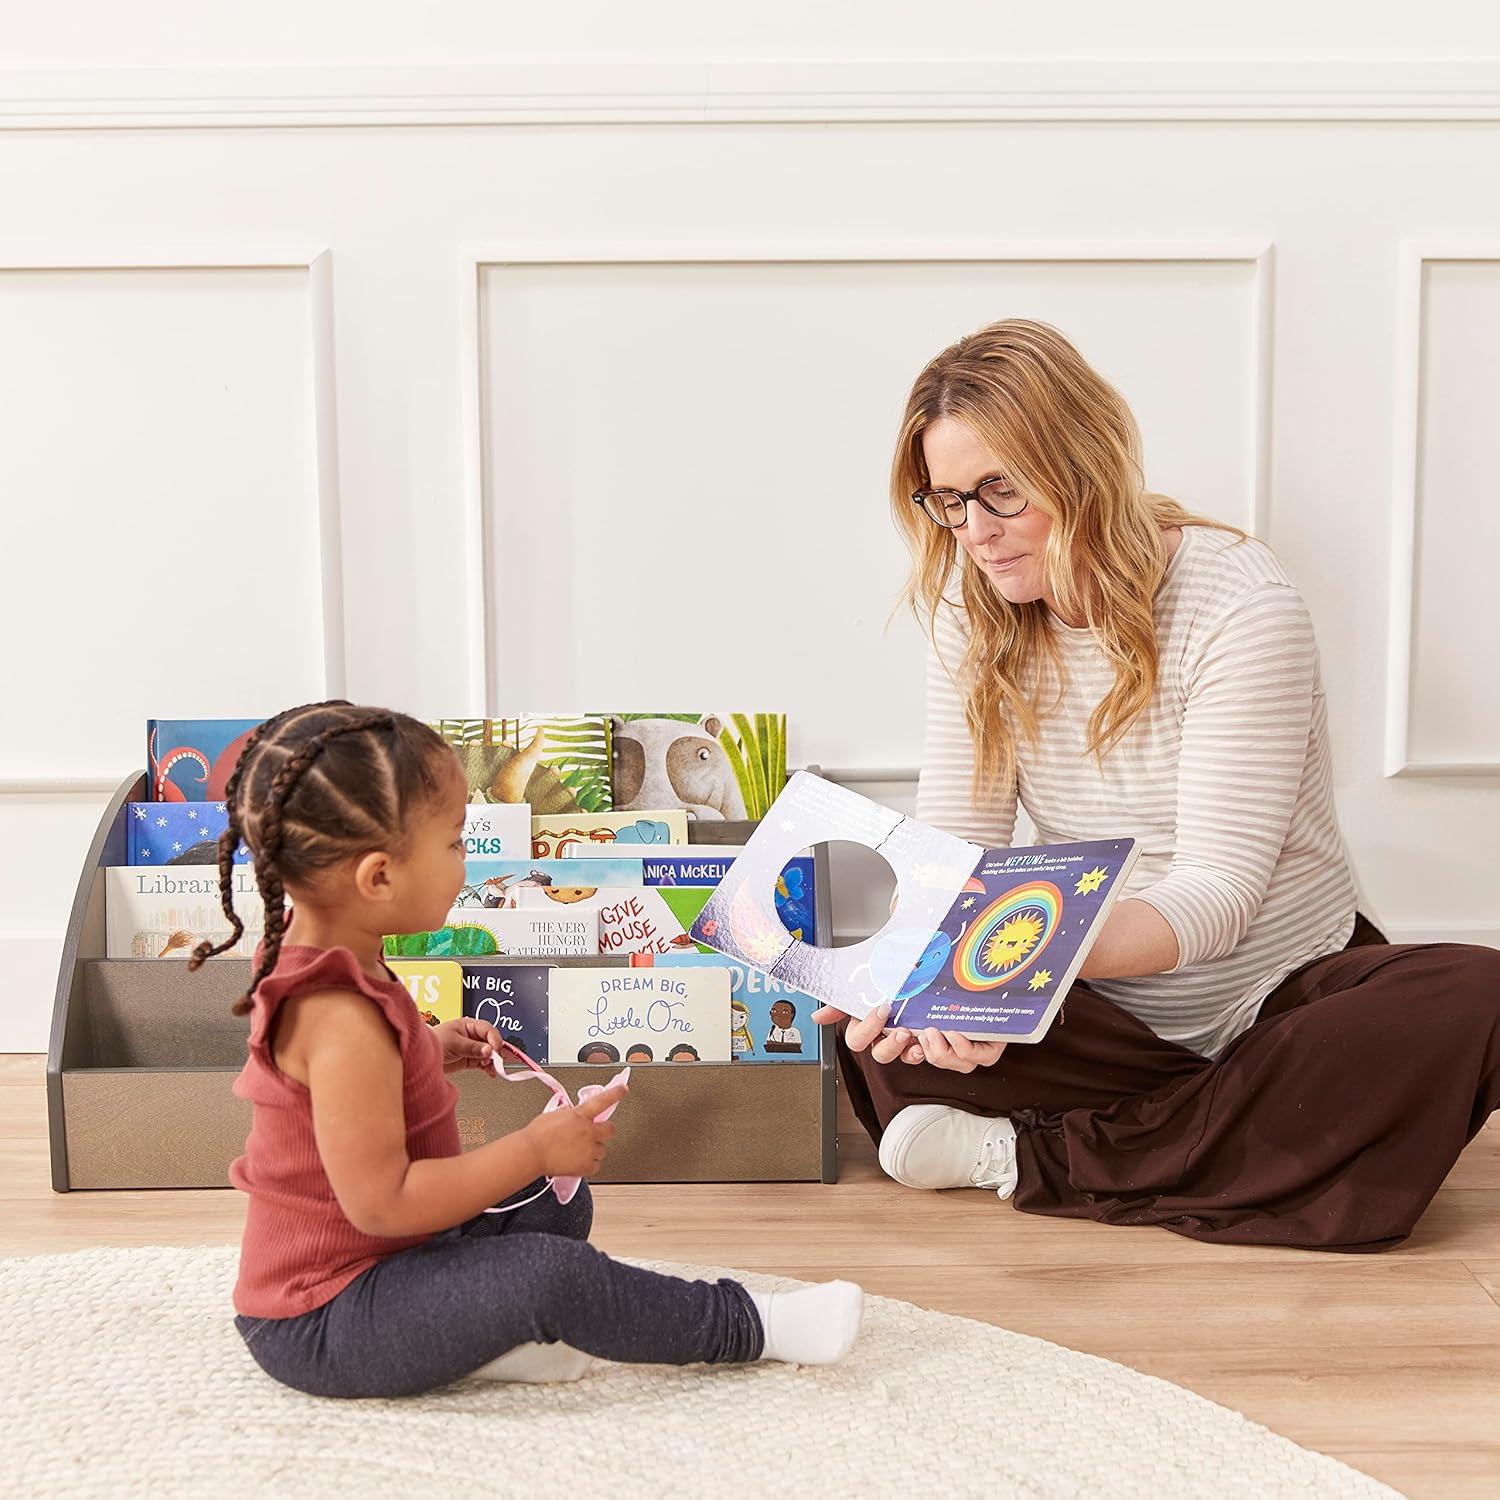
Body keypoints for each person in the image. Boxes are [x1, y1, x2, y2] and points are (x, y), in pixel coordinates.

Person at [816, 320, 1500, 1252]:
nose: (973, 532)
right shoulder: (970, 614)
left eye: (1000, 492)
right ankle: (1230, 1141)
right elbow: (957, 855)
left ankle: (1032, 1159)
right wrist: (940, 989)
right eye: (946, 501)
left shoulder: (1240, 604)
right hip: (1091, 1014)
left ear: (1081, 464)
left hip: (1274, 1000)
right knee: (868, 1030)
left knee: (1471, 995)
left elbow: (1215, 898)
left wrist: (1010, 963)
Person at [193, 701, 861, 1397]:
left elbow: (333, 1091)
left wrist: (429, 1046)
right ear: (378, 878)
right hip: (326, 1318)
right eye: (454, 844)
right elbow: (384, 1204)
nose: (465, 862)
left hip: (402, 1257)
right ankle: (752, 1325)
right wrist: (535, 1147)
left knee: (554, 1204)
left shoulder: (328, 948)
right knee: (551, 1274)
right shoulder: (336, 1018)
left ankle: (481, 1340)